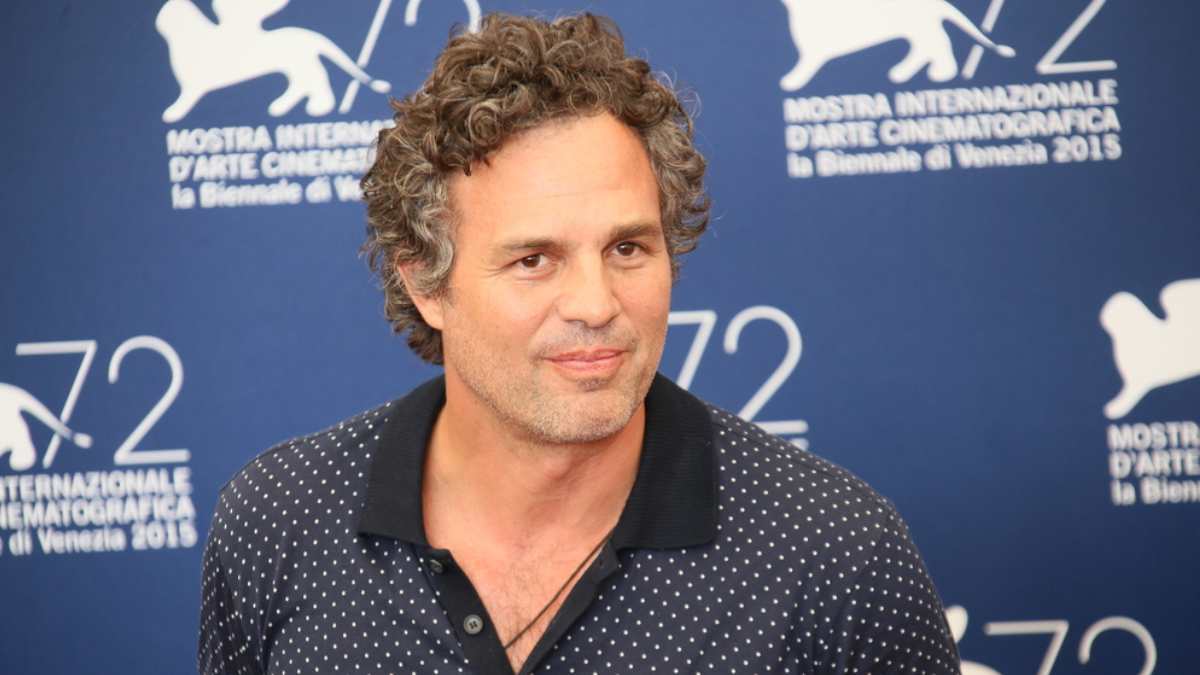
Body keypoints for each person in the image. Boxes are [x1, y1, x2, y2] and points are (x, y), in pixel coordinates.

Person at [199, 12, 961, 675]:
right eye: (535, 260)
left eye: (628, 248)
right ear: (429, 284)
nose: (597, 304)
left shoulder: (834, 550)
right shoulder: (282, 518)